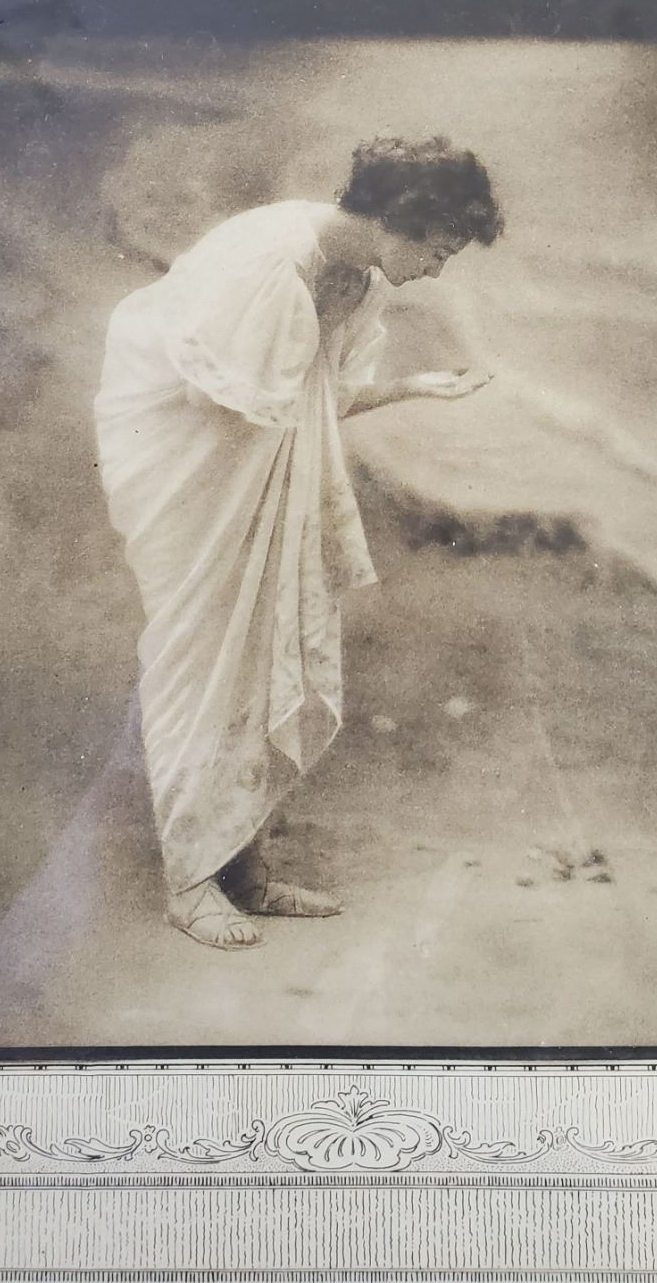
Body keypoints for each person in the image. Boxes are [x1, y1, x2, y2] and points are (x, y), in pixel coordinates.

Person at [94, 135, 503, 951]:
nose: (437, 269)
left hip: (258, 461)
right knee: (203, 655)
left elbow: (320, 396)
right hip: (191, 465)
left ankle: (243, 867)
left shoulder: (361, 277)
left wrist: (414, 387)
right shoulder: (268, 258)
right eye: (437, 249)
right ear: (400, 218)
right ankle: (188, 882)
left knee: (265, 645)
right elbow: (224, 398)